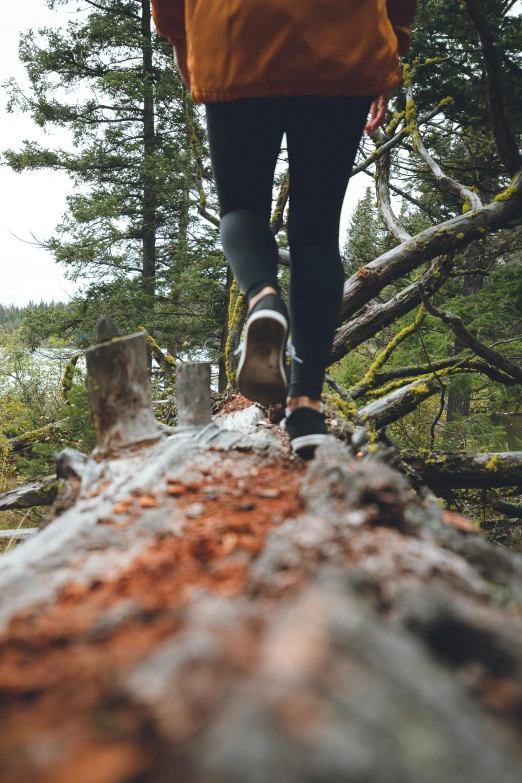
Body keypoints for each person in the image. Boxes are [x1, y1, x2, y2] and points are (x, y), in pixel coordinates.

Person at [151, 0, 417, 458]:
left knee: (241, 208)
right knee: (315, 232)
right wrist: (391, 43)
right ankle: (306, 408)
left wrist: (181, 35)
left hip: (234, 29)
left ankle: (263, 298)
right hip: (342, 36)